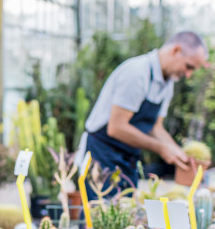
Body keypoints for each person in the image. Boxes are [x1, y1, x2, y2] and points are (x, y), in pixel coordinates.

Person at [75, 31, 207, 193]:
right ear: (175, 50)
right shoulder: (137, 73)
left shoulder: (167, 83)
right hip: (102, 155)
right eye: (188, 66)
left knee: (127, 213)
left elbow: (155, 127)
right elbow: (116, 128)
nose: (188, 75)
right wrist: (160, 148)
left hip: (127, 158)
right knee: (99, 213)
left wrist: (179, 154)